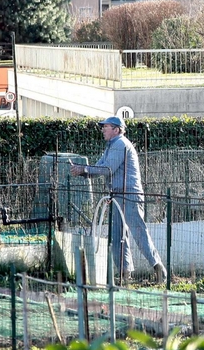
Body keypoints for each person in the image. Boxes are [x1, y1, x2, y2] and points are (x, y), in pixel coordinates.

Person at [70, 116, 167, 284]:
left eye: (105, 127)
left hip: (129, 194)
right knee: (118, 236)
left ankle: (159, 270)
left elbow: (107, 169)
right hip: (117, 195)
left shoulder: (121, 144)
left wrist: (84, 168)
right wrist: (84, 172)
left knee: (138, 233)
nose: (102, 130)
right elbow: (99, 168)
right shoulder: (111, 147)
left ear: (117, 129)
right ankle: (125, 275)